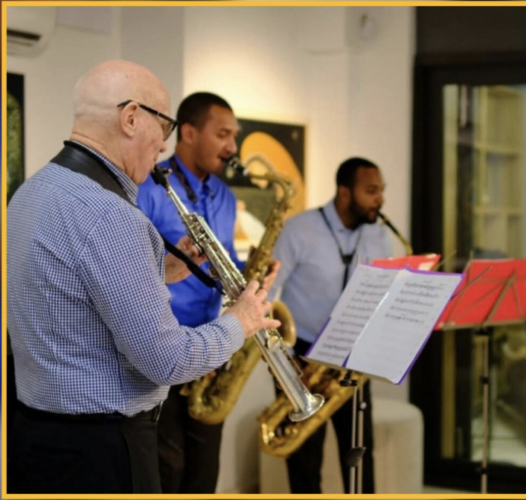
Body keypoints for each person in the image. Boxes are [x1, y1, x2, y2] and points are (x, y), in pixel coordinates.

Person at [5, 60, 280, 494]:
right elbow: (168, 361)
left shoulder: (32, 191)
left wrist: (156, 270)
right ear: (131, 117)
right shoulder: (111, 215)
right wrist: (241, 320)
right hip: (101, 453)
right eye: (164, 125)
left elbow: (69, 289)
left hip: (34, 437)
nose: (163, 143)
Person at [137, 92, 279, 494]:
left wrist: (253, 276)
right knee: (168, 472)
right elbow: (132, 269)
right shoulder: (149, 187)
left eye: (234, 135)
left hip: (210, 350)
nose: (233, 146)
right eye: (222, 134)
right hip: (162, 349)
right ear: (188, 133)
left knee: (203, 475)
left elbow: (223, 266)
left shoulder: (226, 196)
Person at [270, 157, 393, 493]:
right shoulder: (299, 229)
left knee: (360, 457)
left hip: (353, 358)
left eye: (381, 190)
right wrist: (283, 363)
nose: (380, 199)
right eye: (371, 191)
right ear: (344, 192)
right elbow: (266, 293)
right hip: (301, 357)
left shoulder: (379, 236)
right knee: (305, 464)